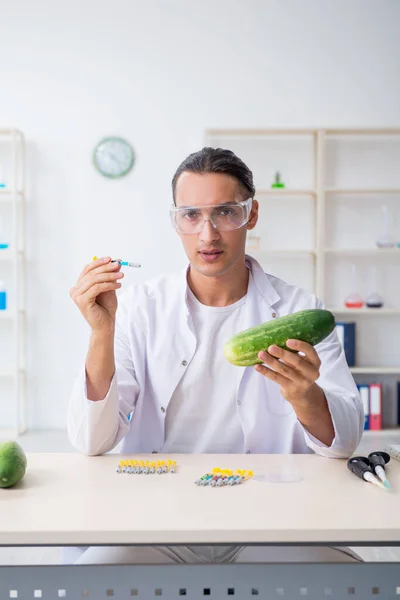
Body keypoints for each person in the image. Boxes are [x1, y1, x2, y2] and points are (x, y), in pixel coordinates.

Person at [66, 147, 364, 565]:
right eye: (191, 215)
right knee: (91, 579)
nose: (208, 235)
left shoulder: (300, 311)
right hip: (157, 518)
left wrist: (306, 396)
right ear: (176, 221)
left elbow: (345, 442)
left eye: (225, 212)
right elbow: (91, 441)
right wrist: (101, 332)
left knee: (345, 578)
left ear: (251, 214)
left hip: (273, 519)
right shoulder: (138, 308)